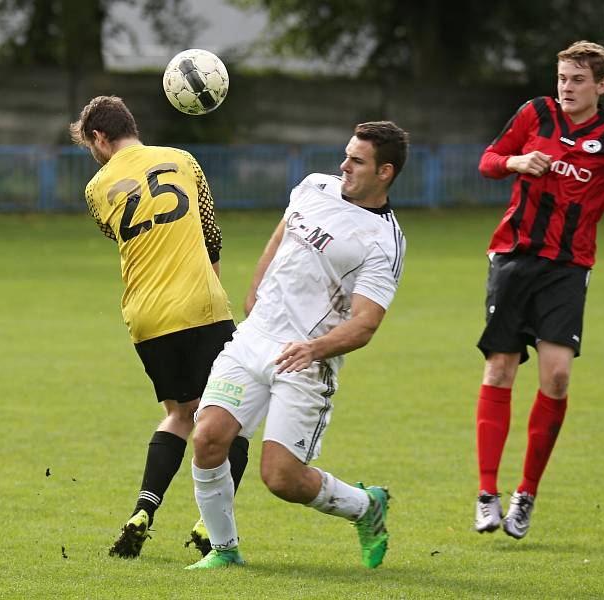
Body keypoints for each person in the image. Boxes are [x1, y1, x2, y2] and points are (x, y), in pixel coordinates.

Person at [473, 41, 604, 539]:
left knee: (556, 379)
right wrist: (515, 163)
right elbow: (489, 159)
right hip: (513, 257)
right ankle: (487, 494)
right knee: (500, 367)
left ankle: (524, 494)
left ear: (601, 86)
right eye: (562, 78)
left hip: (567, 269)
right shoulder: (534, 115)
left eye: (577, 80)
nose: (566, 88)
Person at [183, 121, 408, 571]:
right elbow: (284, 232)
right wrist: (256, 289)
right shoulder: (314, 186)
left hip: (305, 361)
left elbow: (365, 324)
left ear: (385, 172)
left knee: (281, 479)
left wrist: (314, 349)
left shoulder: (383, 242)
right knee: (208, 438)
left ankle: (366, 506)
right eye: (345, 154)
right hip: (252, 340)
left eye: (357, 161)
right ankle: (224, 551)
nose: (343, 165)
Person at [69, 96, 250, 558]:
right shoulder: (182, 160)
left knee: (179, 413)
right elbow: (209, 232)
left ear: (99, 138)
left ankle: (142, 511)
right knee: (236, 417)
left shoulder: (95, 189)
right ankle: (210, 525)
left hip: (146, 315)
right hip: (201, 305)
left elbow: (122, 233)